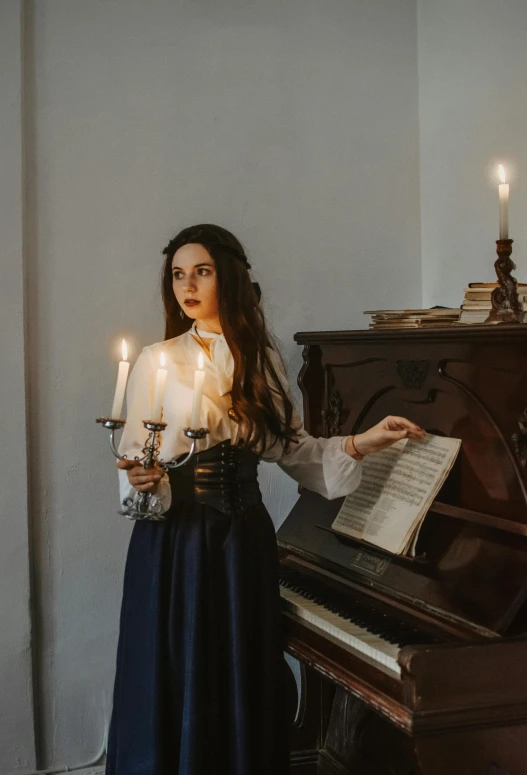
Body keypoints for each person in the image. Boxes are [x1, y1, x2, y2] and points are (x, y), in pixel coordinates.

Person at [105, 224, 425, 775]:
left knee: (239, 673)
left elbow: (291, 449)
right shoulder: (157, 362)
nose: (189, 285)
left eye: (201, 271)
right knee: (176, 672)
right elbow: (136, 461)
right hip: (176, 545)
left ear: (226, 277)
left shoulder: (262, 357)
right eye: (178, 275)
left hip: (241, 542)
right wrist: (145, 481)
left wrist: (361, 441)